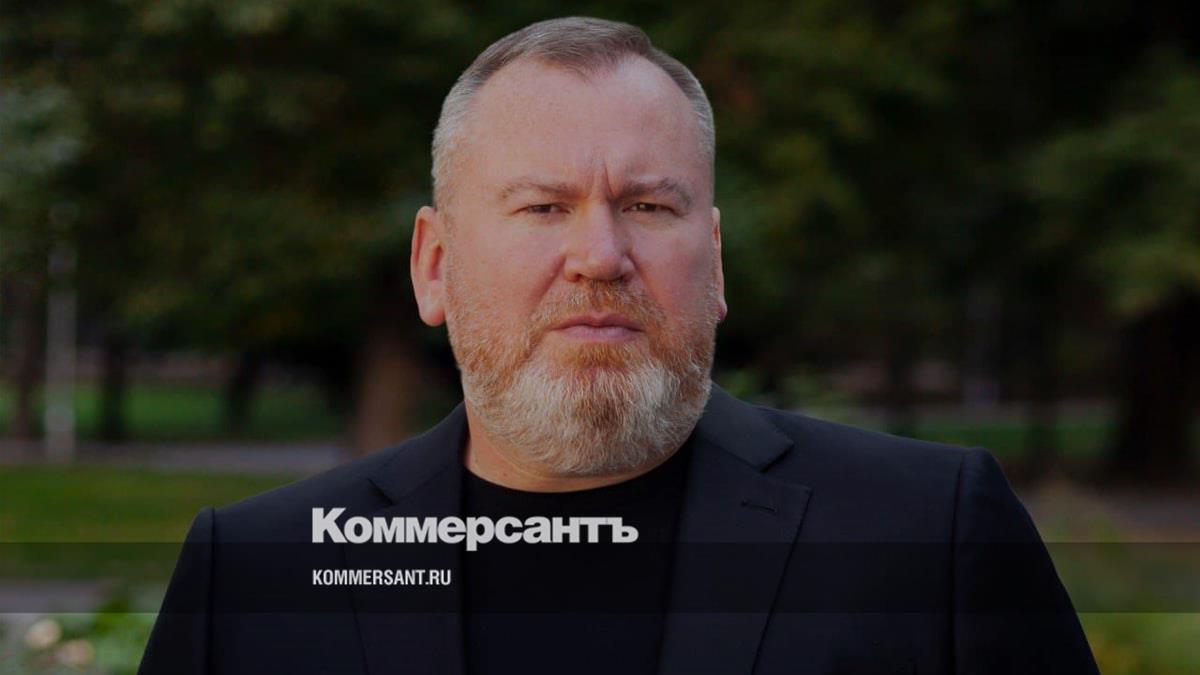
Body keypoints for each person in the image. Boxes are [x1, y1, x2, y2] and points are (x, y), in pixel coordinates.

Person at [139, 16, 1100, 674]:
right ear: (434, 264)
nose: (599, 255)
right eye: (541, 206)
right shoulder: (257, 571)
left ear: (713, 261)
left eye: (647, 206)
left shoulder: (931, 535)